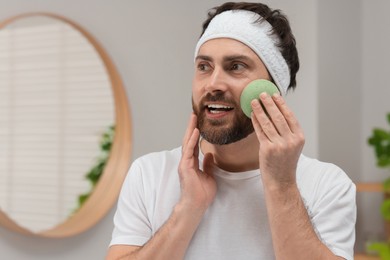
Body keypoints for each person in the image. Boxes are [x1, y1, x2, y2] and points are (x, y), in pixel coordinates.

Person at [106, 2, 356, 260]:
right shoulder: (149, 175)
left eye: (236, 66)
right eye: (204, 66)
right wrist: (188, 208)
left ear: (273, 90)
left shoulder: (327, 185)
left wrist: (281, 186)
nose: (213, 84)